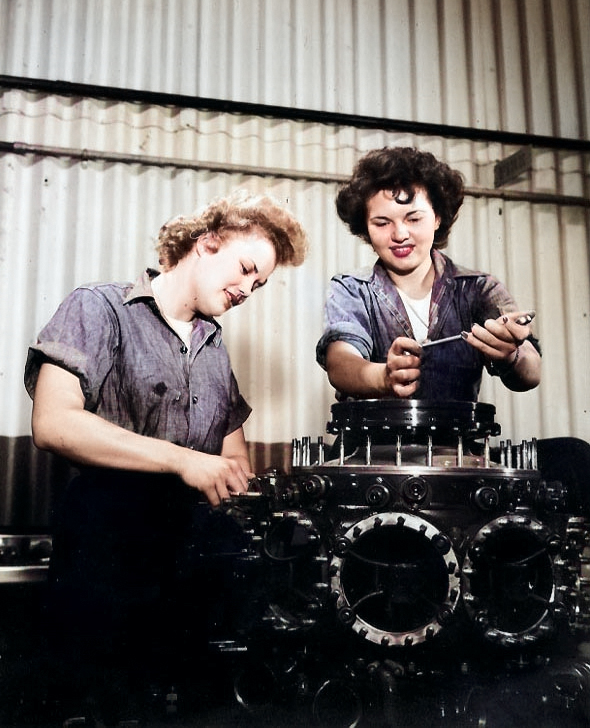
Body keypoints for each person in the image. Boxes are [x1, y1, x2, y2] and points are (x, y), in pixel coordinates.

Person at [24, 191, 308, 721]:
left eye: (260, 284)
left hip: (186, 560)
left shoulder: (213, 345)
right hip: (104, 550)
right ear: (206, 243)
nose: (248, 289)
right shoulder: (98, 307)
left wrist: (244, 484)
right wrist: (183, 460)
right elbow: (53, 423)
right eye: (246, 269)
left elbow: (230, 455)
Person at [316, 146, 541, 403]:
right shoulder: (351, 289)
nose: (399, 234)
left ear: (437, 217)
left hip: (455, 443)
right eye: (382, 223)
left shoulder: (478, 289)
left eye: (413, 219)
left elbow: (531, 372)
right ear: (365, 228)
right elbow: (340, 361)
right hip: (371, 443)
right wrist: (383, 377)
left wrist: (511, 354)